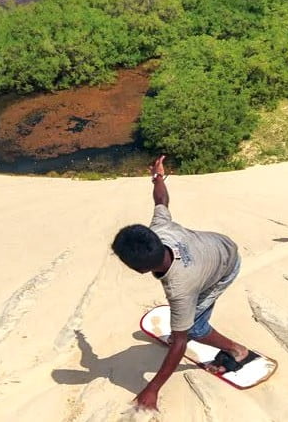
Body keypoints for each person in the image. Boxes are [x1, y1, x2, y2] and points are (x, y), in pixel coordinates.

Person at [111, 155, 257, 411]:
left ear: (140, 269)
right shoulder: (159, 230)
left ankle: (237, 350)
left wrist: (151, 389)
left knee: (194, 329)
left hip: (225, 266)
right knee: (184, 325)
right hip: (216, 244)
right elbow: (161, 200)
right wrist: (158, 176)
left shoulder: (180, 289)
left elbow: (180, 343)